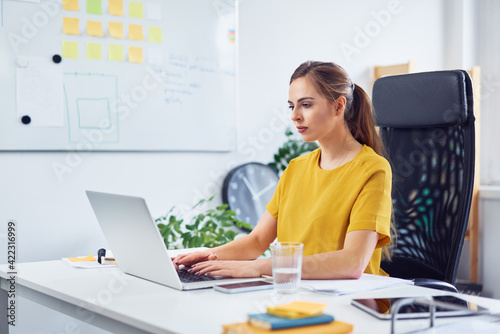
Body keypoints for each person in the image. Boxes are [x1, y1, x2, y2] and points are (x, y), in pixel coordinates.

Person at [173, 60, 393, 279]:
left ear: (338, 106)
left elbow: (352, 263)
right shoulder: (296, 169)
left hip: (351, 298)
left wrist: (259, 267)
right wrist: (208, 255)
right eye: (291, 105)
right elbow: (257, 241)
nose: (294, 115)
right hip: (295, 288)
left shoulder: (373, 169)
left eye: (306, 105)